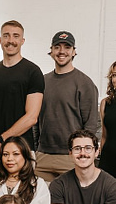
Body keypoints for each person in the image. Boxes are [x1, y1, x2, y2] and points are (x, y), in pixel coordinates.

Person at [35, 31, 100, 182]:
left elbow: (91, 124)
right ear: (51, 51)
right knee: (39, 203)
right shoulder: (42, 82)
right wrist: (36, 149)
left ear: (73, 52)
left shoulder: (85, 83)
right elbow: (36, 120)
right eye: (57, 47)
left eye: (67, 47)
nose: (62, 51)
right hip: (43, 156)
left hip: (71, 157)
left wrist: (82, 154)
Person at [0, 20, 45, 171]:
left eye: (16, 36)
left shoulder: (33, 72)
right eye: (6, 36)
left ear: (22, 41)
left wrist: (0, 141)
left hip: (21, 150)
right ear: (0, 40)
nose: (11, 40)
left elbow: (32, 117)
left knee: (22, 194)